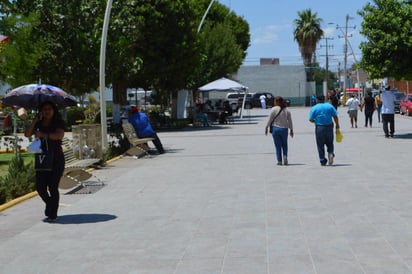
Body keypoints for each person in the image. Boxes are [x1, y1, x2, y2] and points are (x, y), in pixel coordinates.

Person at [24, 101, 65, 222]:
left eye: (49, 109)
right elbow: (27, 134)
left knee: (53, 186)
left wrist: (43, 134)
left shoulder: (58, 122)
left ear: (53, 111)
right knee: (40, 187)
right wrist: (35, 121)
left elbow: (59, 135)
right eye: (44, 109)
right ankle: (50, 203)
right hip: (42, 159)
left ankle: (53, 213)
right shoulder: (39, 123)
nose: (47, 111)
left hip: (56, 158)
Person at [309, 95, 340, 166]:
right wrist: (337, 125)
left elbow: (310, 119)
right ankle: (330, 153)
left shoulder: (314, 108)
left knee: (320, 144)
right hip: (329, 127)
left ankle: (322, 160)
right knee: (330, 142)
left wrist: (316, 121)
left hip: (319, 127)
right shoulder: (329, 106)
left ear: (317, 100)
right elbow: (335, 116)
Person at [265, 96, 294, 165]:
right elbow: (290, 121)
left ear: (277, 102)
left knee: (277, 146)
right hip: (284, 129)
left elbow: (270, 119)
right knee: (284, 144)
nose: (274, 102)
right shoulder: (286, 110)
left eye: (275, 101)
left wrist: (266, 127)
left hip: (276, 129)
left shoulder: (273, 109)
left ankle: (279, 161)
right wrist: (291, 130)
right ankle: (285, 156)